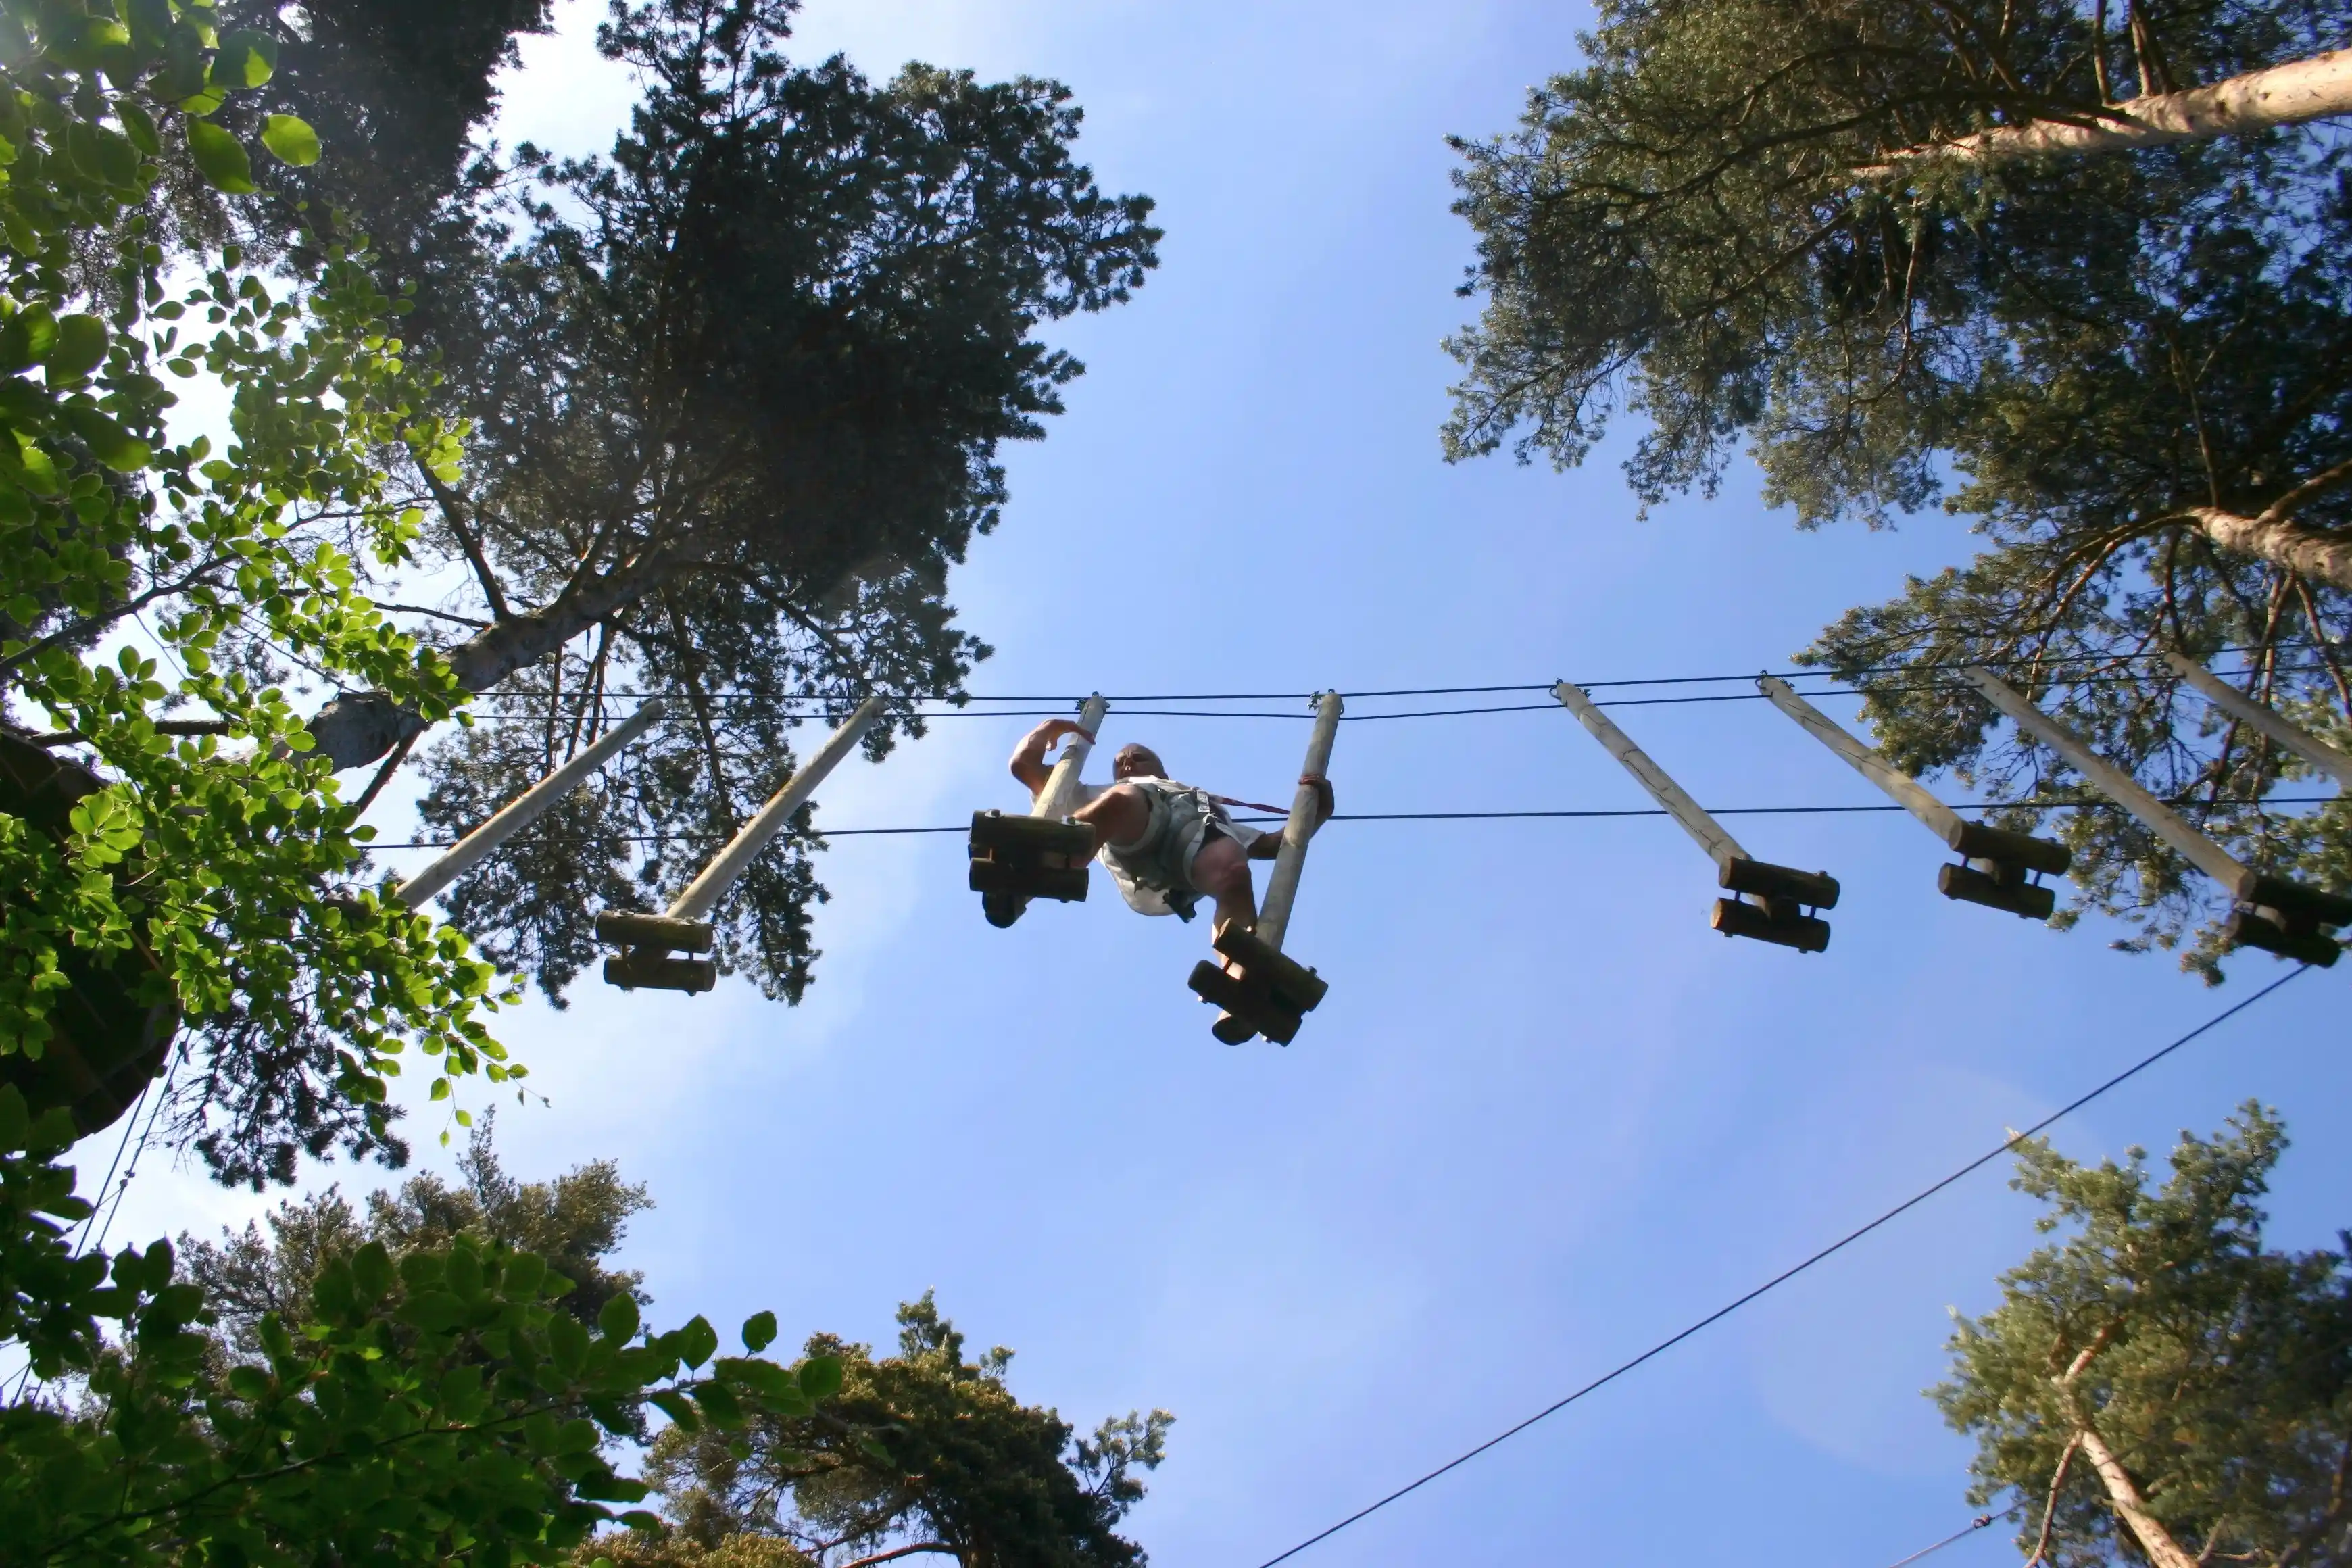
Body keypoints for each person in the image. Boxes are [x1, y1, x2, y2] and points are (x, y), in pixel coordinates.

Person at [1002, 718, 1335, 943]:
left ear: (1162, 768)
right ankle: (1041, 873)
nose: (1127, 762)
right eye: (1120, 762)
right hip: (1136, 841)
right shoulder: (1097, 794)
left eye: (1137, 757)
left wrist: (1320, 811)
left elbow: (1275, 845)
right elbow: (1024, 766)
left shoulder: (1204, 807)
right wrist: (1048, 729)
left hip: (1189, 855)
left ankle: (1238, 971)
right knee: (1126, 797)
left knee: (1234, 870)